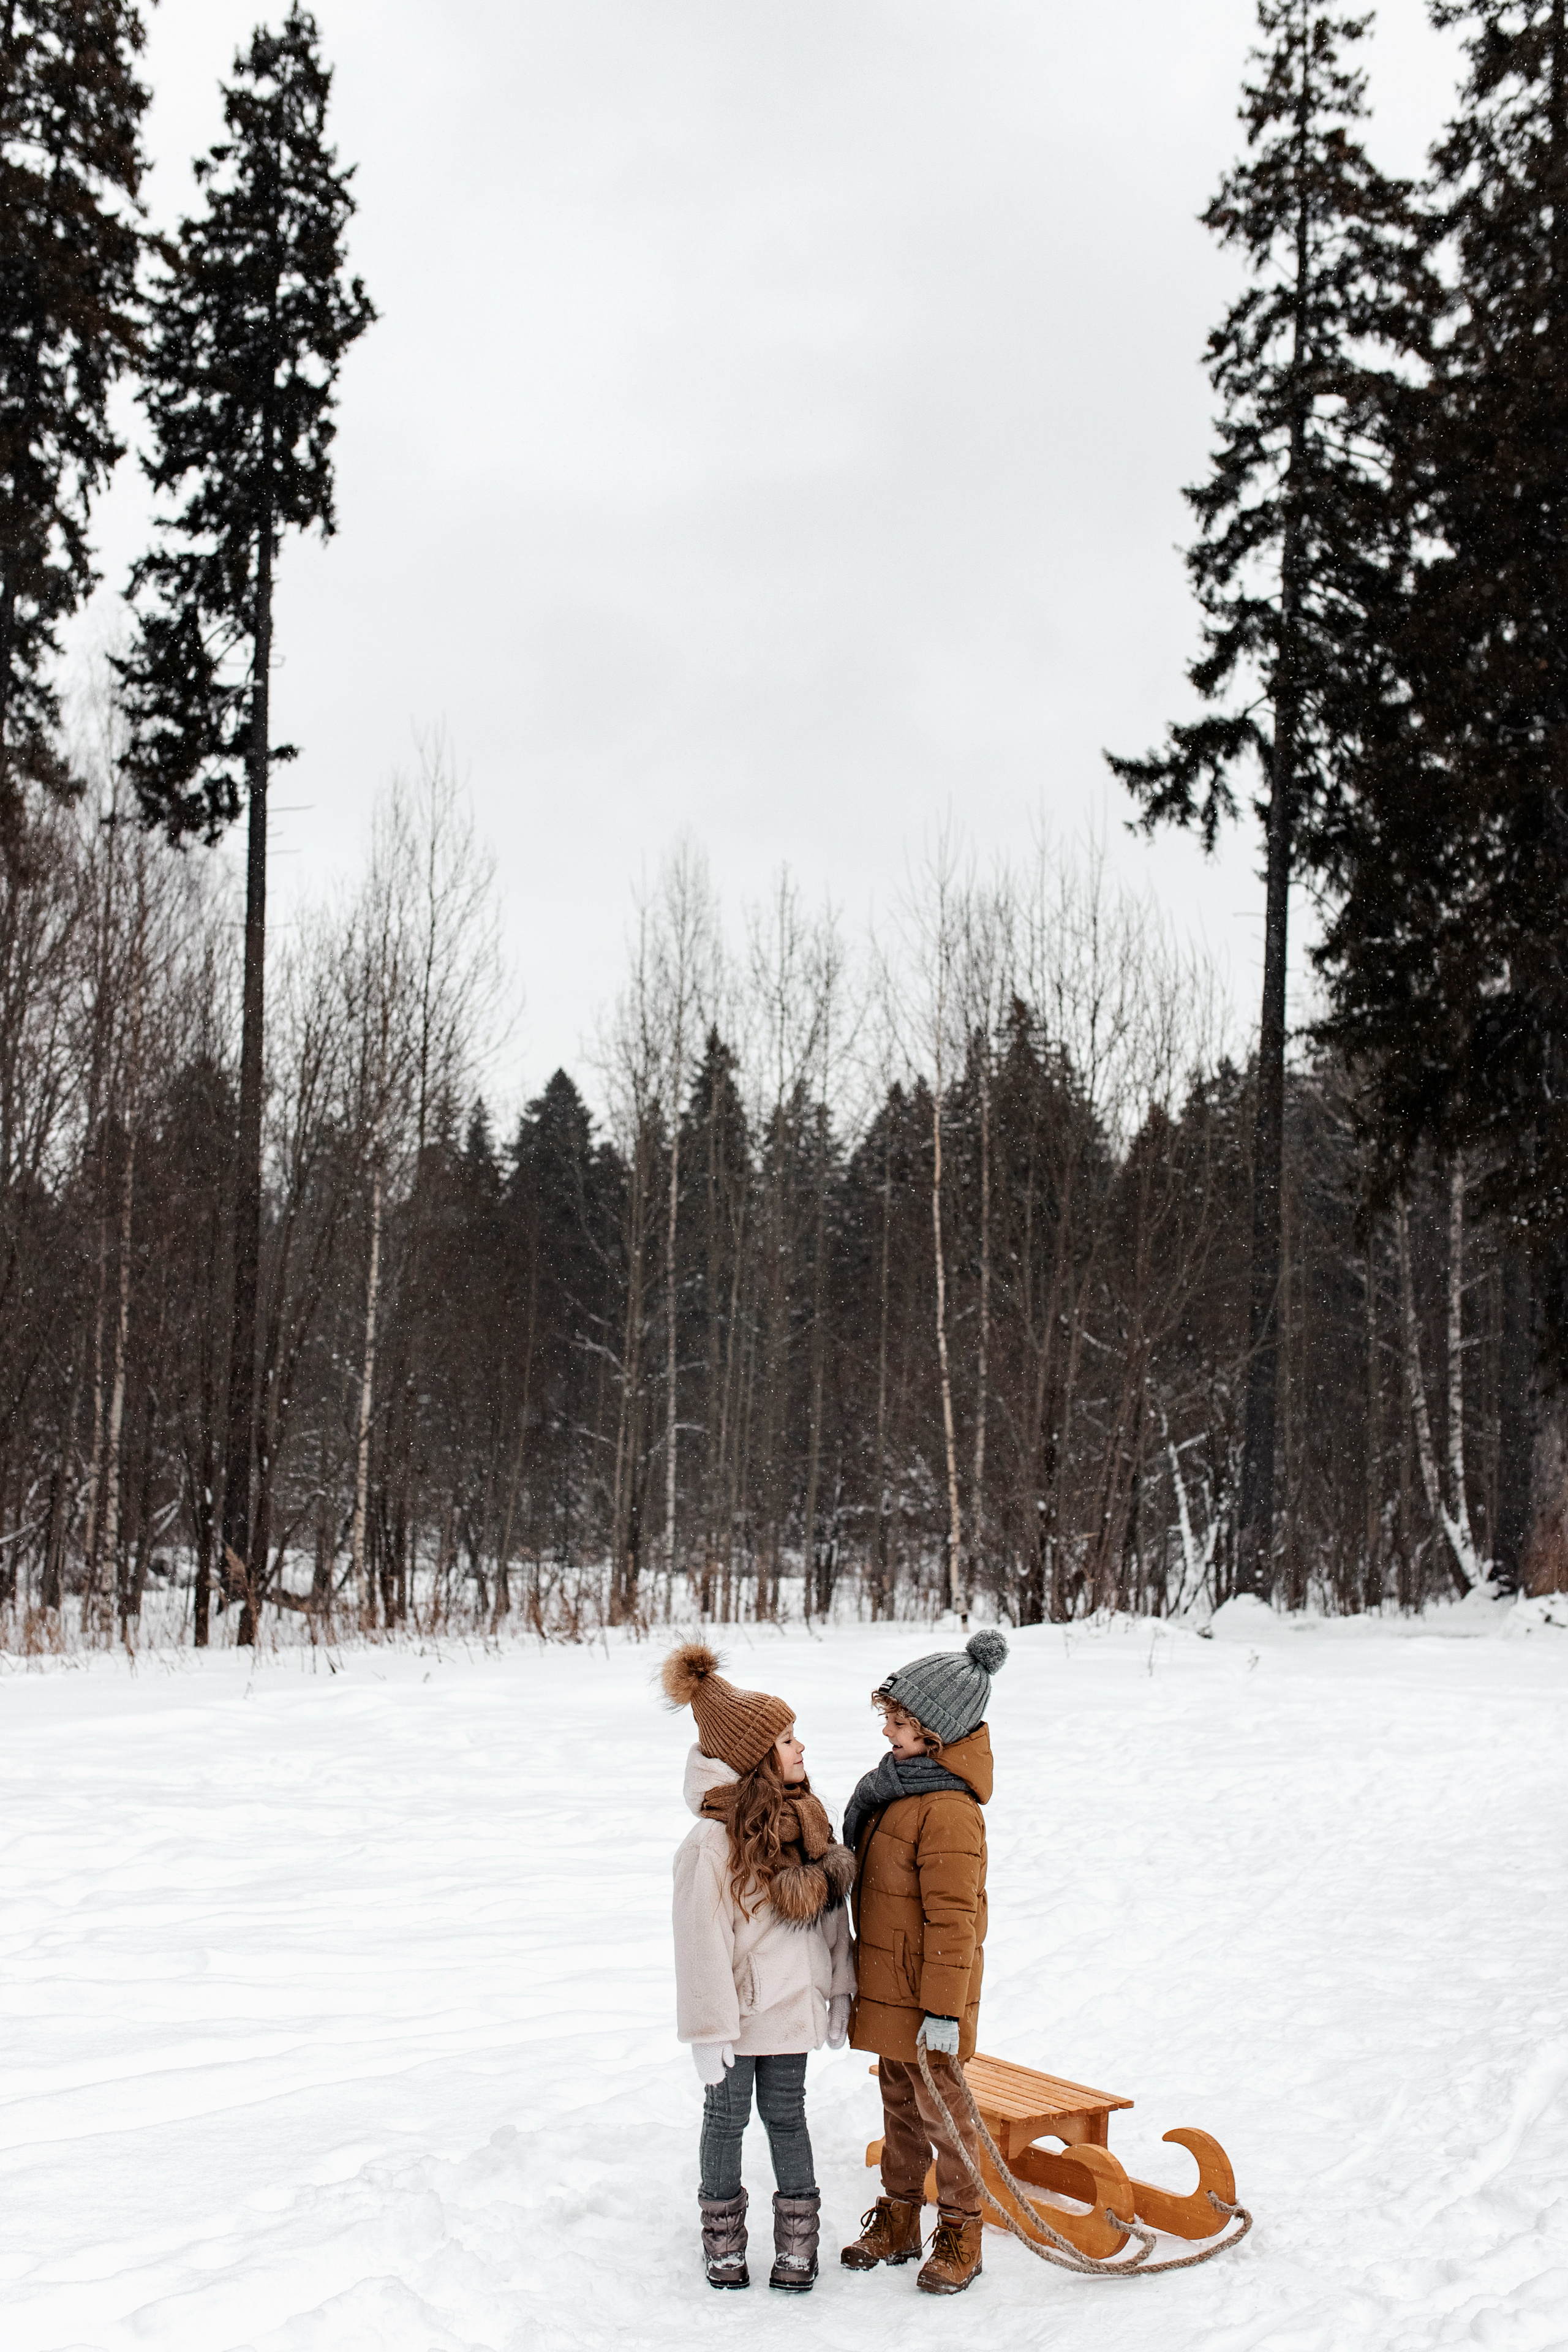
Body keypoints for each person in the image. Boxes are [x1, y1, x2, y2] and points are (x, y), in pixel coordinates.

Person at [663, 1640, 856, 2293]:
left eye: (797, 1737)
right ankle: (723, 2242)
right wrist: (708, 2026)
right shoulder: (713, 1843)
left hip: (793, 2006)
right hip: (738, 2015)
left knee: (788, 2116)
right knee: (726, 2119)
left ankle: (797, 2246)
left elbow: (832, 1917)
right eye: (786, 1740)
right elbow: (699, 1942)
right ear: (753, 1758)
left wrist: (839, 1992)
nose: (801, 1749)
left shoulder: (808, 1822)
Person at [839, 1627, 1009, 2296]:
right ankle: (900, 2218)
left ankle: (962, 2229)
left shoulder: (948, 1810)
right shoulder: (901, 1789)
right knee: (900, 2108)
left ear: (937, 1733)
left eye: (901, 1722)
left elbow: (954, 1924)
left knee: (943, 2112)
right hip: (887, 1984)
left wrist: (942, 2009)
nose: (888, 1732)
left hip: (925, 1993)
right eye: (887, 1718)